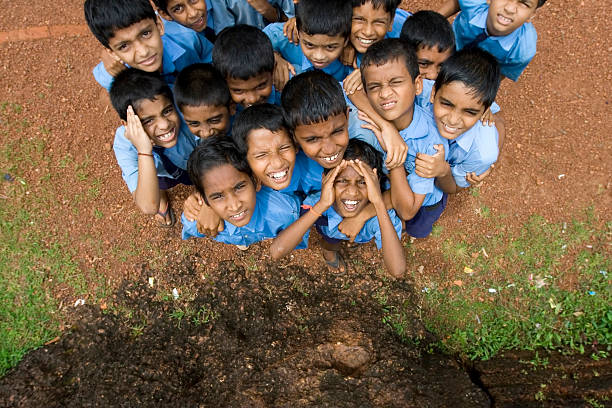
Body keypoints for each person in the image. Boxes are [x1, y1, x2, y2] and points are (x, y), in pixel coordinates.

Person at [270, 139, 405, 278]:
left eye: (363, 182)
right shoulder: (317, 202)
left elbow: (397, 270)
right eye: (342, 181)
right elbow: (277, 251)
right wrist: (322, 205)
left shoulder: (380, 213)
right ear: (326, 179)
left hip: (364, 232)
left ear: (375, 182)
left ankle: (352, 241)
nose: (352, 191)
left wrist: (378, 203)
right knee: (330, 243)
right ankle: (329, 253)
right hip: (330, 233)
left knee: (358, 238)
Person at [357, 39, 448, 239]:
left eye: (396, 82)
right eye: (374, 87)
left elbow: (408, 209)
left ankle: (411, 231)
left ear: (417, 85)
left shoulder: (430, 144)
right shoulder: (368, 117)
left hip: (425, 201)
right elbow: (350, 89)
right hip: (396, 187)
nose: (385, 93)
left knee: (416, 226)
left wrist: (394, 156)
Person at [109, 69, 199, 227]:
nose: (164, 124)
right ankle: (161, 194)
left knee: (200, 176)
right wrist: (144, 151)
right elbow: (148, 206)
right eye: (148, 121)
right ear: (127, 124)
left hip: (195, 161)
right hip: (160, 173)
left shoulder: (188, 109)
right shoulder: (124, 144)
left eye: (167, 111)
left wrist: (201, 192)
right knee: (155, 183)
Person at [181, 136, 303, 249]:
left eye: (239, 187)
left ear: (256, 181)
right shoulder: (197, 222)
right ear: (205, 200)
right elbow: (189, 226)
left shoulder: (284, 213)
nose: (235, 206)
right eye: (218, 196)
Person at [415, 48, 502, 192]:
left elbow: (454, 187)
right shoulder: (419, 91)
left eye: (469, 112)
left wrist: (443, 171)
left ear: (485, 112)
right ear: (433, 93)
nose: (453, 120)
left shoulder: (482, 153)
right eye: (446, 104)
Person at [84, 0, 212, 91]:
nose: (143, 51)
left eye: (145, 34)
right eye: (124, 46)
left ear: (159, 26)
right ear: (112, 53)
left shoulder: (187, 39)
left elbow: (212, 61)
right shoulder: (112, 74)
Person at [438, 0, 547, 81]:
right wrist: (429, 22)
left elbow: (499, 74)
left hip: (474, 69)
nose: (509, 9)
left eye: (524, 4)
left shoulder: (522, 50)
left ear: (531, 15)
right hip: (451, 41)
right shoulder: (475, 2)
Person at [263, 0, 353, 86]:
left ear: (346, 41)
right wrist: (272, 57)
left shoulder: (353, 57)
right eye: (309, 45)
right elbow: (255, 41)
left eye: (330, 47)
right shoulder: (288, 35)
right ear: (298, 33)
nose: (319, 56)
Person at [212, 25, 281, 111]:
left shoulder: (289, 95)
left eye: (261, 86)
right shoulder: (222, 107)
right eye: (238, 90)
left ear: (273, 71)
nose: (252, 99)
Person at [173, 63, 232, 139]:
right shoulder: (184, 140)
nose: (206, 133)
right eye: (194, 123)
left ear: (231, 107)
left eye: (214, 120)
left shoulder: (247, 128)